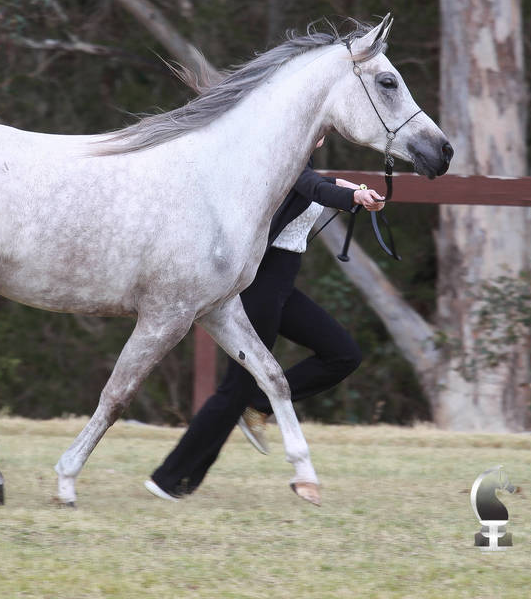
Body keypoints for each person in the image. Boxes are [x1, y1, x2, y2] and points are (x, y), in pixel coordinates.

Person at [144, 138, 384, 501]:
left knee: (342, 353)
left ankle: (259, 403)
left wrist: (356, 191)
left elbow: (318, 182)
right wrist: (349, 196)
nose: (321, 134)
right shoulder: (280, 158)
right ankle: (170, 479)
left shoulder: (301, 162)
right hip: (259, 286)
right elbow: (311, 186)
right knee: (234, 388)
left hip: (282, 286)